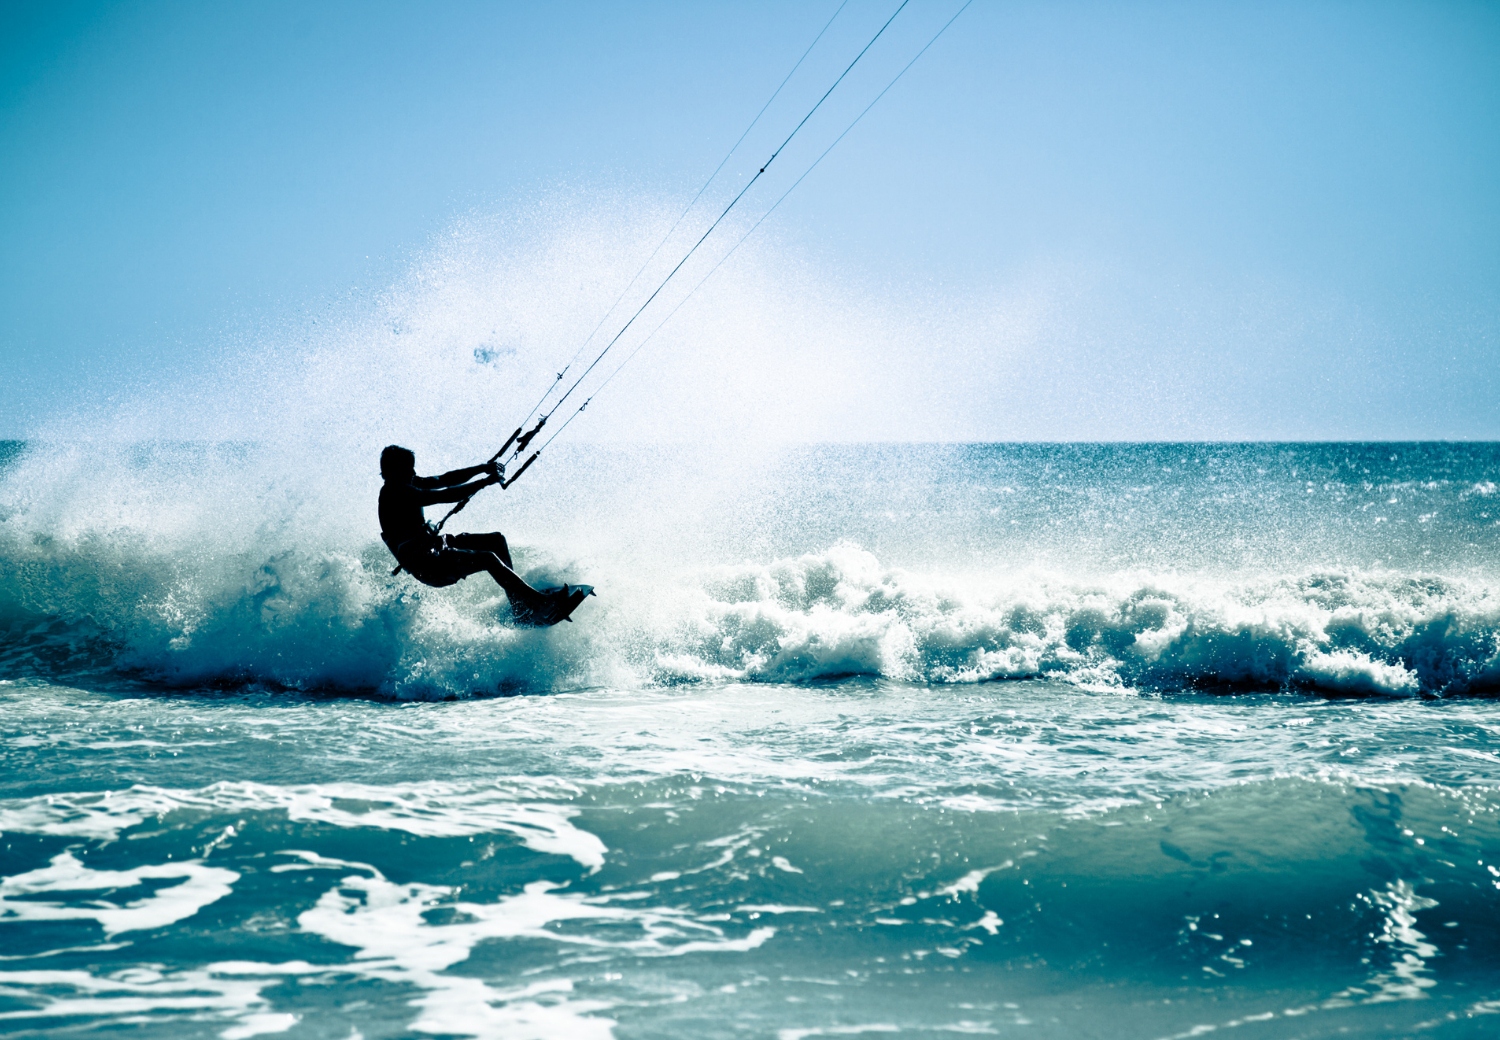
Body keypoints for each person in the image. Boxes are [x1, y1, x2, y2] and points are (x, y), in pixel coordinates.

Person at [378, 445, 546, 615]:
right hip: (429, 566)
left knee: (495, 541)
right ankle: (540, 603)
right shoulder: (394, 493)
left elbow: (445, 479)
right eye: (408, 468)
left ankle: (519, 604)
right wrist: (484, 482)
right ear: (395, 470)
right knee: (488, 558)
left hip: (435, 549)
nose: (413, 472)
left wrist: (483, 468)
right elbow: (444, 495)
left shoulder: (408, 483)